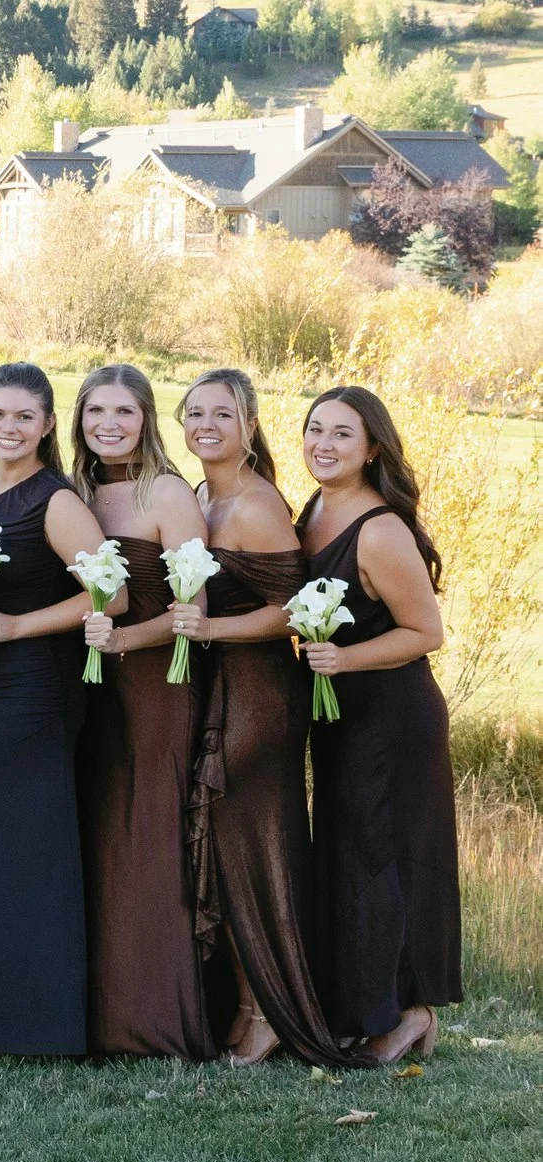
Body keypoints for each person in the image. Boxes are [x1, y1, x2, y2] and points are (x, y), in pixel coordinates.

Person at [171, 369, 369, 1070]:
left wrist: (208, 632)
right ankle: (238, 1000)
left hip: (260, 697)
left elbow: (289, 611)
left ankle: (267, 1013)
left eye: (221, 414)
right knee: (224, 850)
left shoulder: (256, 504)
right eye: (194, 413)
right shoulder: (199, 495)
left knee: (255, 847)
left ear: (250, 425)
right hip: (215, 687)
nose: (205, 425)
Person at [0, 363, 109, 1058]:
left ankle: (42, 1022)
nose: (7, 428)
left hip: (38, 688)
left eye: (22, 417)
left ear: (45, 425)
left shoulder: (55, 499)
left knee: (32, 847)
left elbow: (110, 596)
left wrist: (14, 627)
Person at [297, 386, 461, 1065]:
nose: (324, 444)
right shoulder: (312, 510)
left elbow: (428, 632)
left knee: (389, 861)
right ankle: (357, 1007)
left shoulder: (380, 527)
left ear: (372, 448)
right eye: (314, 429)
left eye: (342, 433)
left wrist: (343, 657)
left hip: (393, 715)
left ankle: (409, 1011)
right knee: (346, 856)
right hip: (339, 715)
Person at [71, 364, 215, 1061]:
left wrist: (124, 637)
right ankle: (98, 1011)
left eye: (123, 411)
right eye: (95, 410)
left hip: (157, 686)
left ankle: (153, 1015)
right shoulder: (78, 492)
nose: (108, 423)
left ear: (146, 417)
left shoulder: (170, 493)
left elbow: (194, 611)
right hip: (91, 690)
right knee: (101, 833)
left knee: (148, 831)